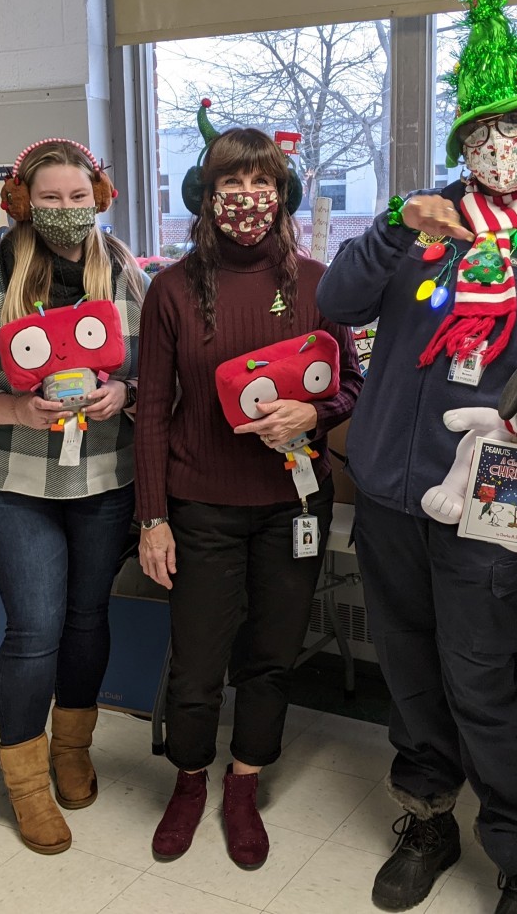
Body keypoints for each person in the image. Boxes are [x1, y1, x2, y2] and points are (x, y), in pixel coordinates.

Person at [317, 0, 517, 914]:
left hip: (491, 499)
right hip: (393, 489)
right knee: (407, 669)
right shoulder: (425, 219)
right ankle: (428, 813)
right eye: (483, 132)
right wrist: (400, 228)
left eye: (516, 130)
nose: (499, 147)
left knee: (481, 678)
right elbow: (334, 299)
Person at [135, 119, 361, 870]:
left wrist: (317, 411)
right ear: (206, 193)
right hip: (200, 505)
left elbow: (352, 384)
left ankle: (245, 780)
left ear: (283, 193)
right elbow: (151, 412)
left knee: (270, 655)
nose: (246, 195)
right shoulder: (169, 290)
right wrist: (153, 518)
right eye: (230, 181)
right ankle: (191, 777)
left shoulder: (321, 283)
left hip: (292, 505)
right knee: (196, 662)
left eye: (261, 181)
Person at [0, 139, 147, 855]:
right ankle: (24, 781)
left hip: (103, 480)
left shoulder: (126, 277)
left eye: (77, 198)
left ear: (99, 197)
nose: (65, 211)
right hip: (14, 484)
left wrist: (126, 392)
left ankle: (72, 748)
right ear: (22, 202)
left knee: (86, 620)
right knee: (35, 628)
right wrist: (9, 408)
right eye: (49, 199)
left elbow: (156, 371)